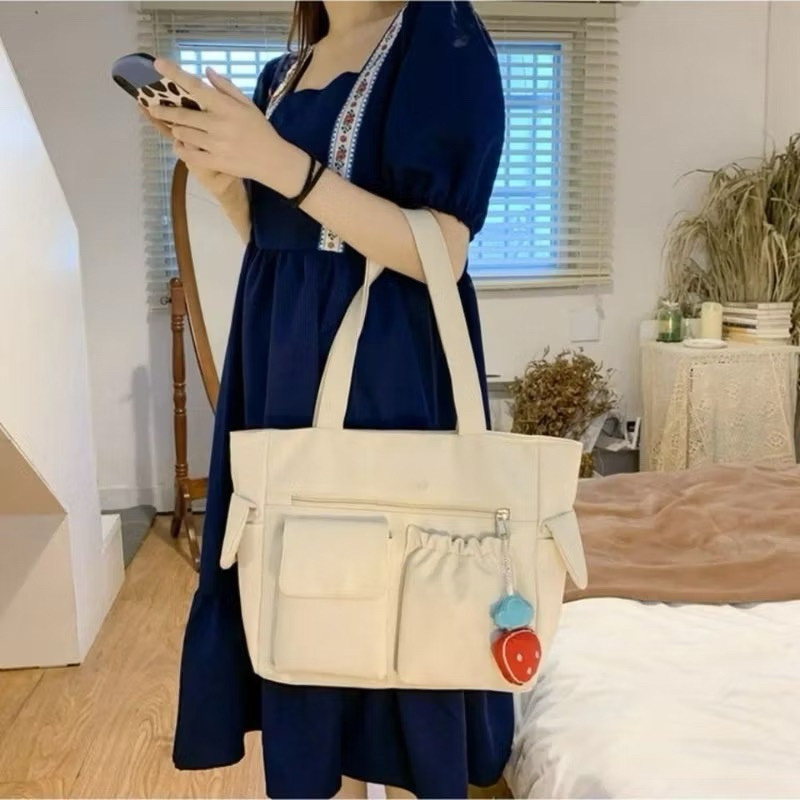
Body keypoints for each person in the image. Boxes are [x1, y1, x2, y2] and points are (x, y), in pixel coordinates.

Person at [143, 2, 510, 797]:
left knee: (390, 570)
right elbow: (279, 237)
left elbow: (442, 249)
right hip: (279, 353)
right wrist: (226, 179)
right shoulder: (287, 71)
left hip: (387, 360)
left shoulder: (440, 37)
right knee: (296, 579)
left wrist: (281, 164)